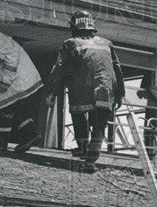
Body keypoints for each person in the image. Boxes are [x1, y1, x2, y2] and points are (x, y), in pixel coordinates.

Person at [45, 10, 125, 173]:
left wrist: (52, 91)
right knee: (99, 123)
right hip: (105, 87)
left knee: (79, 115)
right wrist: (120, 93)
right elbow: (117, 68)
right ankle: (90, 160)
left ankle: (83, 148)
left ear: (75, 26)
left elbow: (59, 68)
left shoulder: (70, 43)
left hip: (81, 87)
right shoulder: (106, 43)